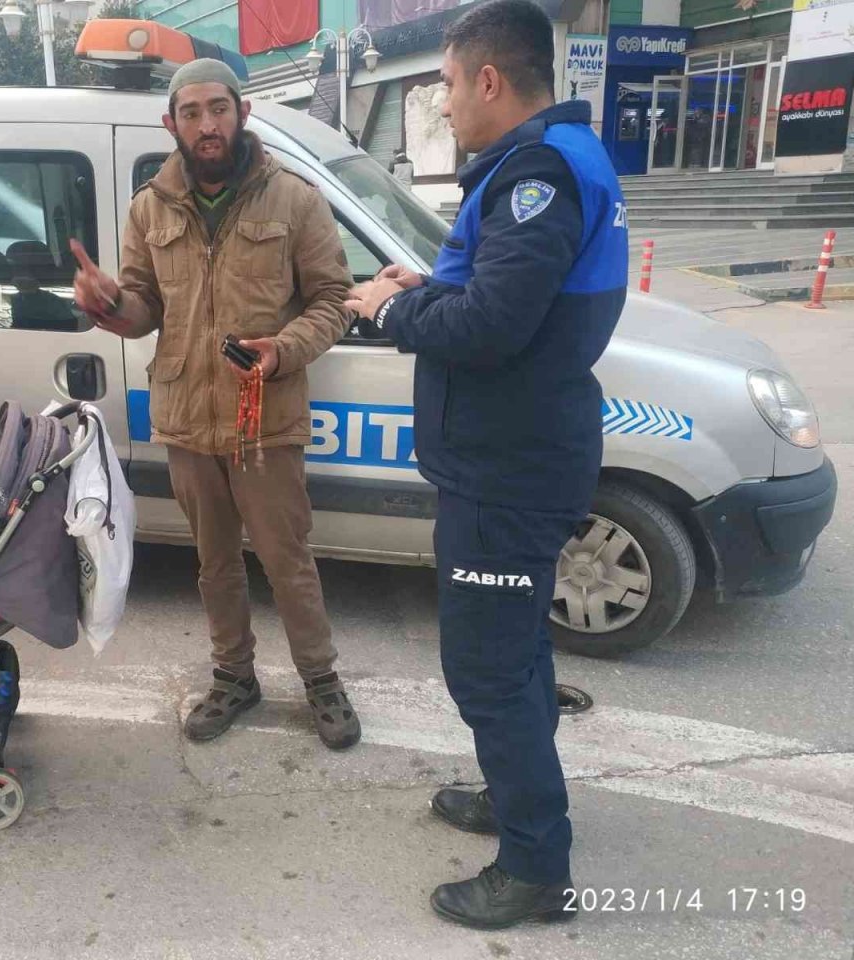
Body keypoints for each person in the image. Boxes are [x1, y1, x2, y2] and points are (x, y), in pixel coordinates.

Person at [344, 0, 627, 930]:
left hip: (508, 469)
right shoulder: (549, 161)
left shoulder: (536, 174)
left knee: (489, 670)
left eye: (449, 83)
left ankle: (537, 867)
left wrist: (391, 311)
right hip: (519, 454)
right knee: (519, 651)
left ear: (491, 80)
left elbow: (493, 327)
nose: (446, 101)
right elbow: (510, 294)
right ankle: (517, 802)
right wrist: (431, 285)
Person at [71, 59, 362, 750]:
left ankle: (320, 679)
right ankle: (234, 676)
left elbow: (335, 300)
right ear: (171, 123)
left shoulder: (294, 199)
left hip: (264, 419)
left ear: (243, 114)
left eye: (218, 109)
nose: (207, 124)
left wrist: (283, 350)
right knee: (214, 563)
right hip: (187, 417)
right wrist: (110, 302)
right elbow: (144, 310)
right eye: (192, 112)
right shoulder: (149, 207)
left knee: (287, 559)